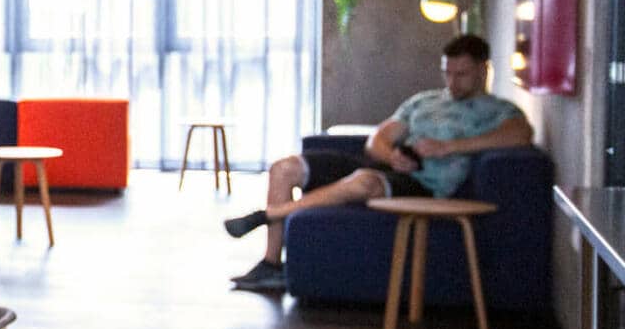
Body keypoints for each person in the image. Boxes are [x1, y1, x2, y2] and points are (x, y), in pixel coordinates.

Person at [224, 33, 532, 292]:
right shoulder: (425, 101)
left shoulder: (497, 110)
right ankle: (271, 264)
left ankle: (268, 215)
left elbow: (522, 134)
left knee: (363, 181)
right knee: (284, 168)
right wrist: (393, 156)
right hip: (390, 169)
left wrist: (450, 147)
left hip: (423, 186)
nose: (452, 82)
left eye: (461, 75)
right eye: (447, 73)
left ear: (483, 70)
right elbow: (376, 140)